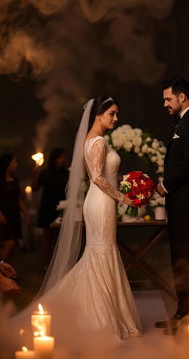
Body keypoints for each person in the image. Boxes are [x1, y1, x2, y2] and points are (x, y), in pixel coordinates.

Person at [15, 96, 141, 343]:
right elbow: (97, 177)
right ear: (98, 115)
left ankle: (100, 310)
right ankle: (100, 317)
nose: (116, 118)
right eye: (112, 114)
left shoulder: (87, 140)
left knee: (98, 252)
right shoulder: (99, 142)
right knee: (101, 251)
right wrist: (123, 198)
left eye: (116, 114)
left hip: (98, 202)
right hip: (102, 201)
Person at [156, 77, 189, 334]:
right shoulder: (182, 121)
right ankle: (182, 310)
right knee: (179, 257)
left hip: (188, 202)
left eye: (168, 99)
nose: (164, 103)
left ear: (182, 97)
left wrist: (165, 185)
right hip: (179, 202)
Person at [31, 148, 69, 269]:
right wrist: (35, 173)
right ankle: (47, 265)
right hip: (47, 208)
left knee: (61, 238)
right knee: (47, 237)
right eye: (60, 157)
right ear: (54, 159)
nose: (63, 160)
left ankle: (59, 265)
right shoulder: (45, 173)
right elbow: (34, 188)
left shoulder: (67, 173)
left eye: (64, 157)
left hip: (62, 208)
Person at [0, 154, 30, 262]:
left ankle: (7, 271)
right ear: (7, 165)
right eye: (13, 162)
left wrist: (26, 213)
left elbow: (18, 198)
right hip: (3, 215)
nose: (16, 165)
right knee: (9, 243)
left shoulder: (15, 180)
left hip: (14, 215)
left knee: (13, 245)